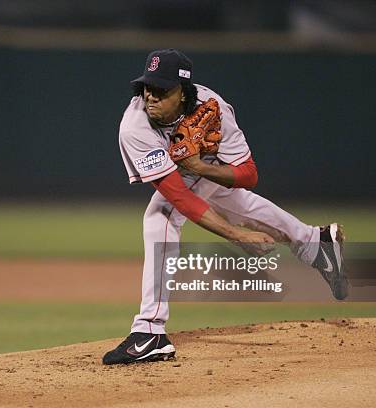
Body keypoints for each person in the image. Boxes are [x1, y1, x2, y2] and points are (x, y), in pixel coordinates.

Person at [102, 49, 348, 365]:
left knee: (161, 217)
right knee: (176, 210)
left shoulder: (212, 108)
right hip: (182, 177)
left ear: (182, 92)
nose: (151, 97)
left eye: (161, 90)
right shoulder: (135, 126)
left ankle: (150, 331)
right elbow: (178, 195)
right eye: (147, 87)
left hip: (203, 167)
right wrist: (236, 235)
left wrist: (202, 168)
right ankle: (316, 242)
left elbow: (248, 175)